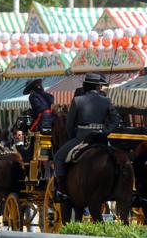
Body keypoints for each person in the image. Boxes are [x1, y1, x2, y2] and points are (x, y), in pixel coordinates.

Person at [52, 73, 121, 201]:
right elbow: (115, 119)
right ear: (97, 86)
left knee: (58, 158)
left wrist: (74, 137)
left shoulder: (77, 100)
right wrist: (104, 131)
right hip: (102, 138)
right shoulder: (106, 100)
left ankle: (62, 191)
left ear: (86, 86)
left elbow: (69, 125)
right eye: (100, 85)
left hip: (81, 137)